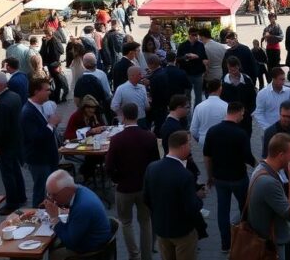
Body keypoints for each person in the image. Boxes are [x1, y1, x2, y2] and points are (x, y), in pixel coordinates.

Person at [106, 103, 160, 260]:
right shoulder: (149, 136)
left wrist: (116, 179)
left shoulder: (116, 139)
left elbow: (109, 166)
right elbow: (155, 162)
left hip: (124, 187)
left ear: (123, 116)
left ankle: (133, 254)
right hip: (144, 187)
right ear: (138, 115)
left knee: (126, 222)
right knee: (145, 221)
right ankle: (147, 255)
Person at [203, 101, 256, 252]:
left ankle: (225, 244)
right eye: (243, 114)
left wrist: (210, 175)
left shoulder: (212, 131)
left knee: (222, 211)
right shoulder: (240, 133)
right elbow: (248, 157)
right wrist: (261, 166)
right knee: (245, 209)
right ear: (239, 112)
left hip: (220, 178)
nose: (243, 116)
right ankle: (245, 240)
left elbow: (207, 157)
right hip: (239, 178)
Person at [143, 131, 204, 260]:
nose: (191, 147)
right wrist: (198, 197)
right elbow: (192, 208)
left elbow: (146, 198)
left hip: (161, 228)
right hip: (182, 232)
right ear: (183, 147)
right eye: (190, 144)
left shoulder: (152, 167)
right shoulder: (185, 175)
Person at [247, 133, 290, 260]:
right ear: (281, 156)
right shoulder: (268, 182)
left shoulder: (262, 168)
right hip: (271, 243)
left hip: (268, 238)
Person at [44, 169, 113, 258]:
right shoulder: (78, 189)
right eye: (49, 194)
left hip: (92, 247)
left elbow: (69, 242)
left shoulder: (83, 207)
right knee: (54, 243)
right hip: (91, 235)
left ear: (67, 190)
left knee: (55, 255)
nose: (51, 199)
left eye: (54, 195)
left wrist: (54, 218)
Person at [21, 78, 63, 207]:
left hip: (48, 157)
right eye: (47, 90)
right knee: (41, 191)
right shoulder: (27, 112)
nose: (49, 92)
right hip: (39, 160)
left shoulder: (41, 107)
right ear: (36, 91)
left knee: (51, 190)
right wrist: (51, 125)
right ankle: (37, 217)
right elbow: (35, 138)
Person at [0, 71, 27, 214]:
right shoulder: (14, 96)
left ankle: (12, 202)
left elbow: (2, 127)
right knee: (15, 171)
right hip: (15, 141)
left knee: (8, 174)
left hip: (6, 144)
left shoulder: (4, 103)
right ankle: (21, 195)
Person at [220, 56, 257, 138]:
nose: (232, 72)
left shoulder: (247, 80)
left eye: (234, 69)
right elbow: (221, 100)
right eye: (230, 69)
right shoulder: (223, 82)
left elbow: (253, 97)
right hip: (230, 117)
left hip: (245, 117)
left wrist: (250, 111)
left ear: (238, 66)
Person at [189, 78, 227, 143]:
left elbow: (193, 129)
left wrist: (200, 138)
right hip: (222, 139)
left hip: (204, 139)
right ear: (220, 89)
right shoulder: (226, 106)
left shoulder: (199, 106)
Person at [177, 29, 208, 105]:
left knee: (198, 96)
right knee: (187, 96)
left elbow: (204, 57)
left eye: (196, 35)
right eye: (193, 35)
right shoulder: (182, 45)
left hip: (198, 73)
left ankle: (197, 114)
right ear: (189, 35)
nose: (195, 37)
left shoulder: (200, 45)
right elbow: (177, 59)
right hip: (186, 73)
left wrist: (197, 56)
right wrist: (185, 57)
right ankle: (187, 114)